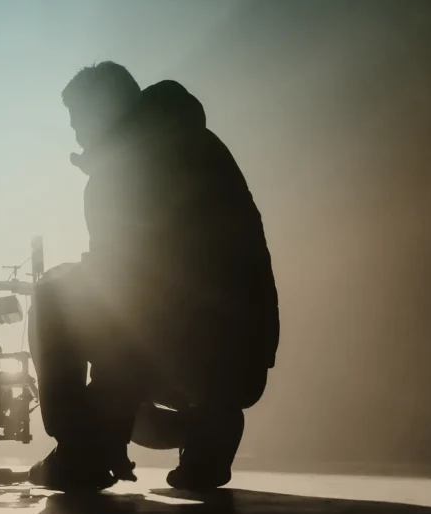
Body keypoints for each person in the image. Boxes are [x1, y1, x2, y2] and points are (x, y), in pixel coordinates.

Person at [28, 62, 279, 492]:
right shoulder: (193, 143)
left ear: (102, 111)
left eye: (78, 121)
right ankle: (207, 430)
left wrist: (98, 422)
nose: (76, 135)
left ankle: (81, 448)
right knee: (104, 298)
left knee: (54, 292)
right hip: (239, 362)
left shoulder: (127, 168)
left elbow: (125, 284)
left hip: (175, 345)